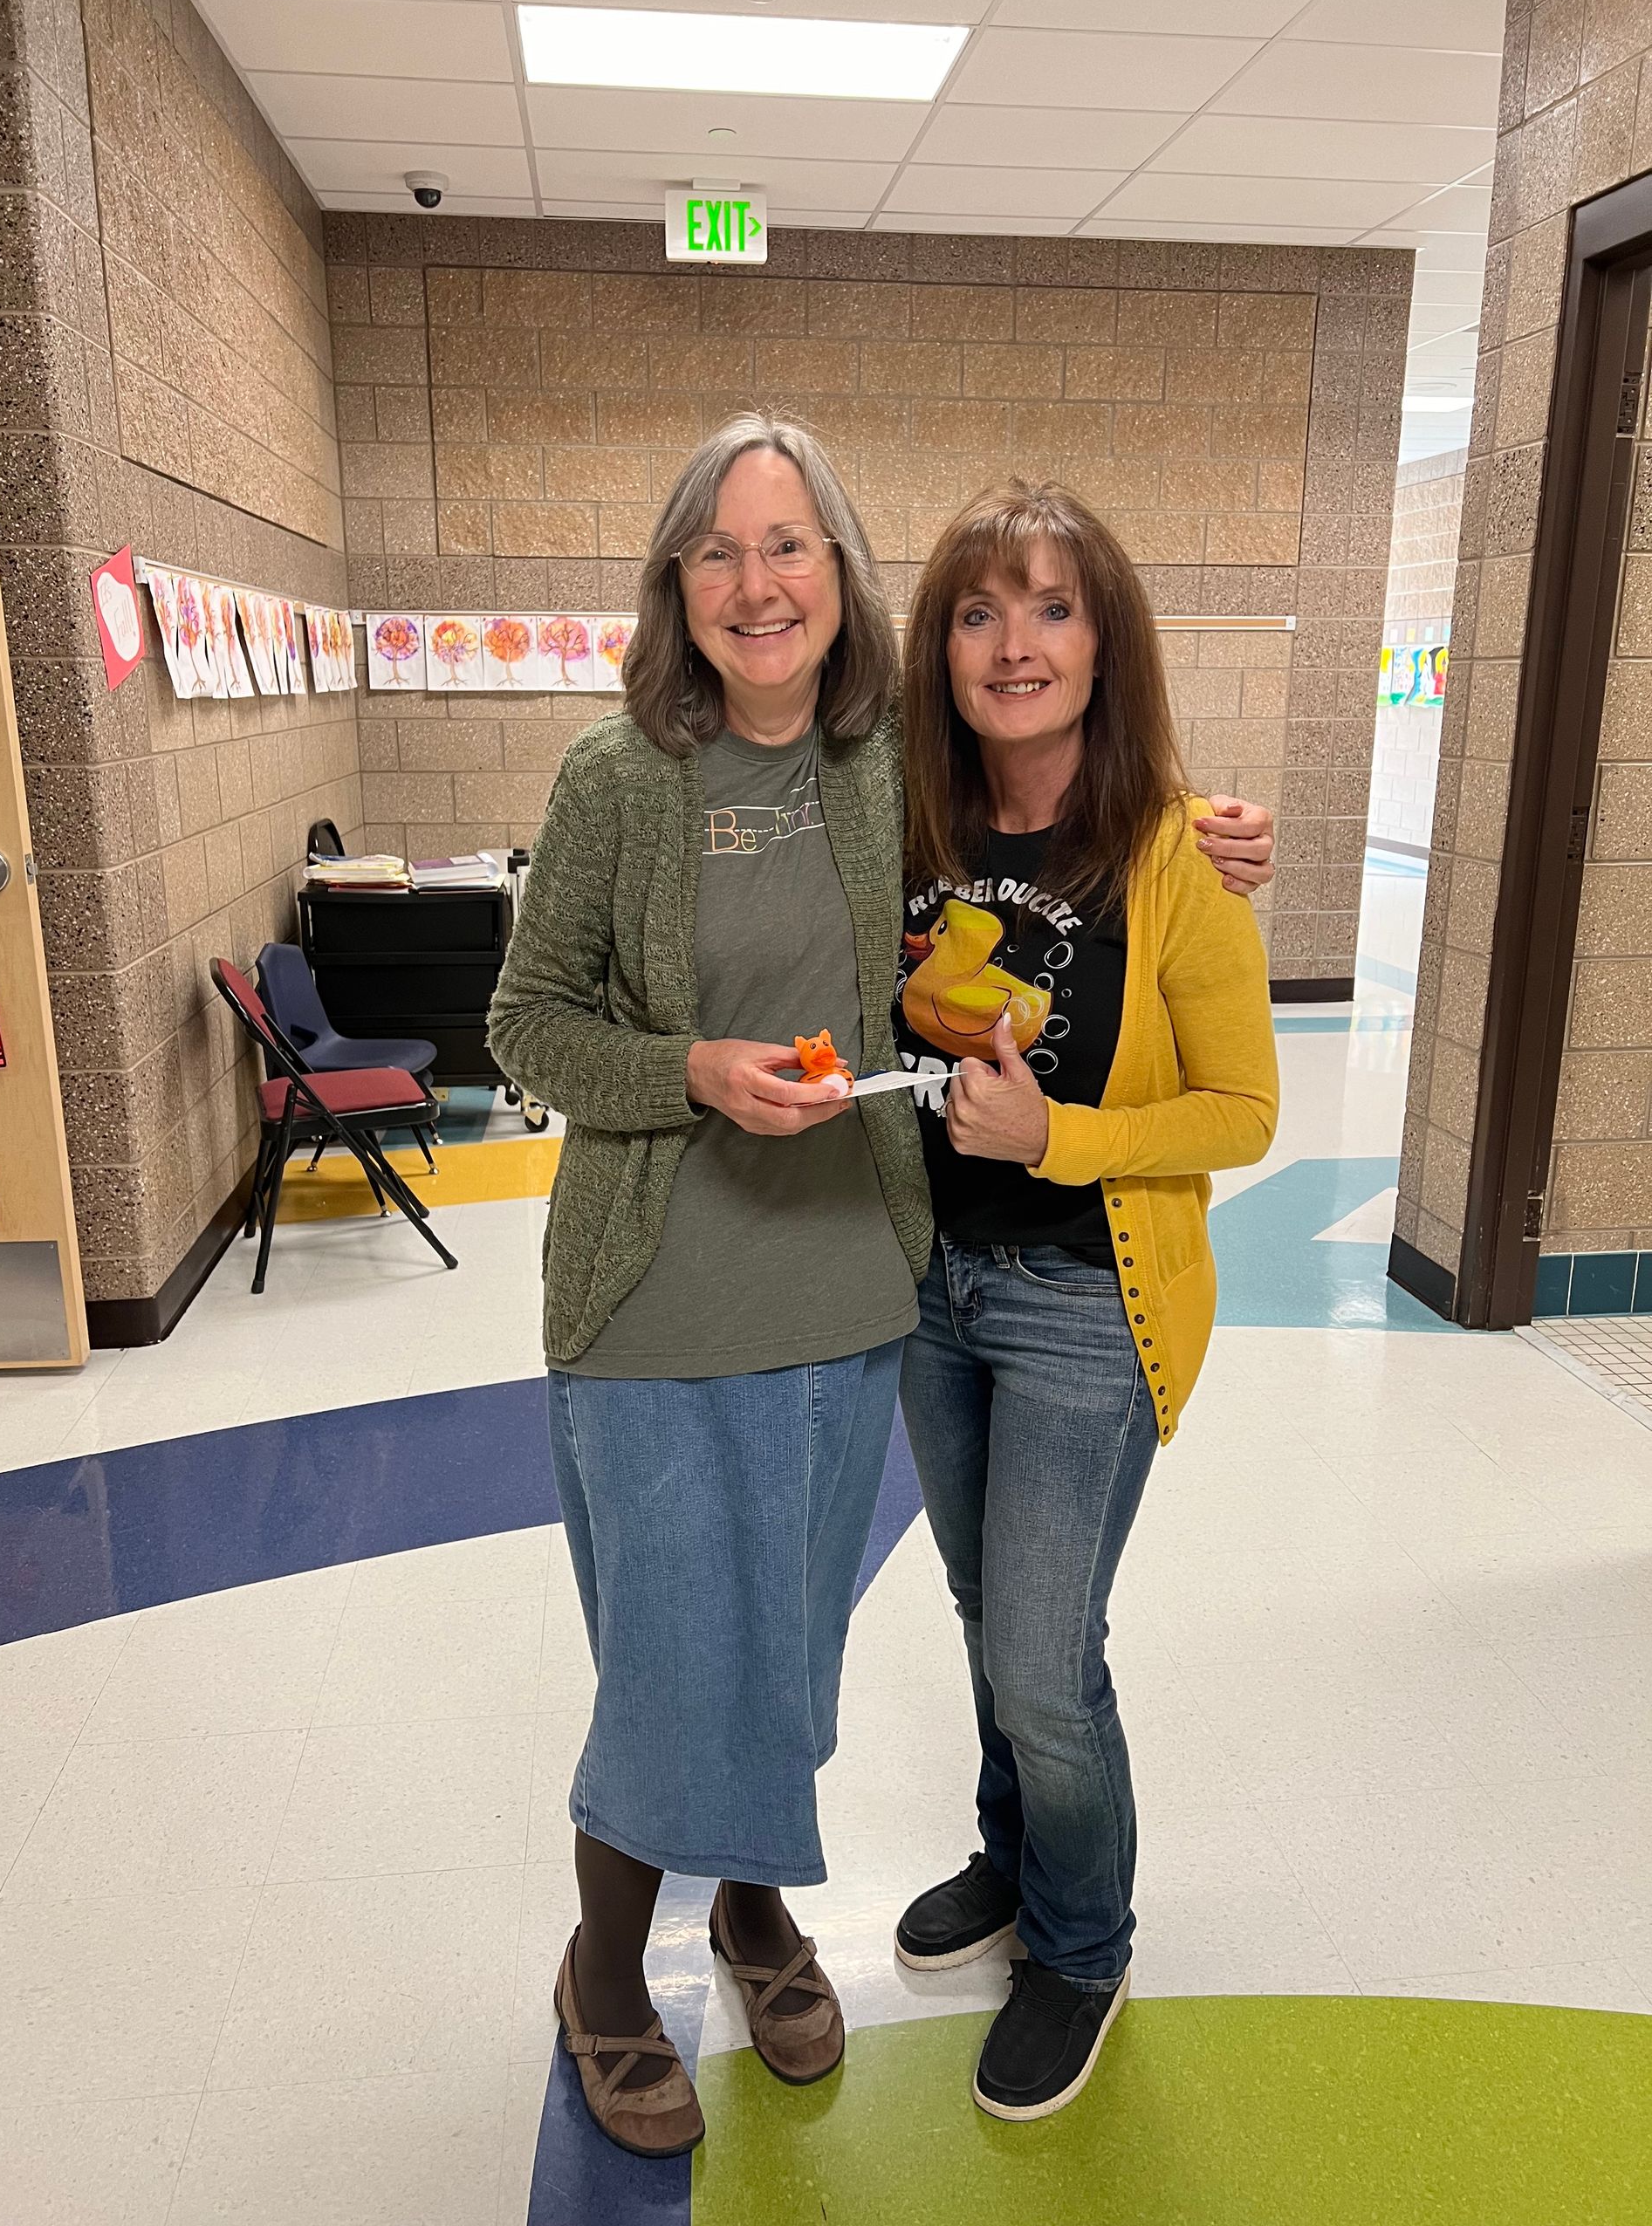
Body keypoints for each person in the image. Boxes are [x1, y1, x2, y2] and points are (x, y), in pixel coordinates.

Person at [487, 416, 1275, 2158]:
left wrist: (1205, 856)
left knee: (913, 1651)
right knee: (743, 1646)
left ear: (843, 579)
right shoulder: (726, 782)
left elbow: (1205, 1042)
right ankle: (642, 1957)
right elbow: (529, 1022)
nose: (757, 583)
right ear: (676, 583)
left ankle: (925, 1926)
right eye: (720, 549)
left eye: (791, 548)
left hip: (949, 1292)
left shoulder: (1018, 811)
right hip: (764, 1294)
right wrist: (688, 1068)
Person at [890, 481, 1280, 2123]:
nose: (1015, 643)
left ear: (1105, 639)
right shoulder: (903, 822)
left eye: (1052, 606)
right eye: (980, 610)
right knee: (992, 1622)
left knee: (1047, 1654)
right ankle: (1012, 1850)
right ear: (943, 648)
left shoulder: (1174, 853)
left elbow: (1243, 1111)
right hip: (926, 1291)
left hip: (1077, 1305)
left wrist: (1064, 1138)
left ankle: (1083, 1939)